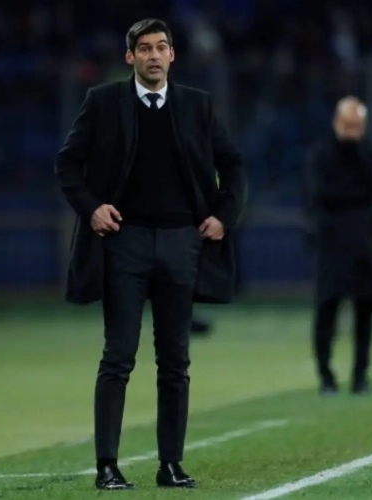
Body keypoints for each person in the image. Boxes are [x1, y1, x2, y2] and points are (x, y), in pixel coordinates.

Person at [55, 19, 246, 491]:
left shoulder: (197, 105)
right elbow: (67, 163)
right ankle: (107, 466)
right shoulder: (103, 102)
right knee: (118, 357)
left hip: (183, 242)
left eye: (161, 47)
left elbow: (233, 166)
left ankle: (171, 465)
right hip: (126, 241)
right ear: (130, 57)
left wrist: (224, 216)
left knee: (175, 361)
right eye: (144, 48)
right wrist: (91, 208)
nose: (154, 55)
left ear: (173, 55)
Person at [303, 96, 372, 396]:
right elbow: (319, 194)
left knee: (366, 308)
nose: (352, 132)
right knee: (327, 307)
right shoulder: (322, 154)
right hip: (333, 242)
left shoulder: (368, 153)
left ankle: (360, 376)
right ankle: (326, 376)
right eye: (347, 125)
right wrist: (357, 193)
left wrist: (357, 162)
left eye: (357, 126)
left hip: (364, 241)